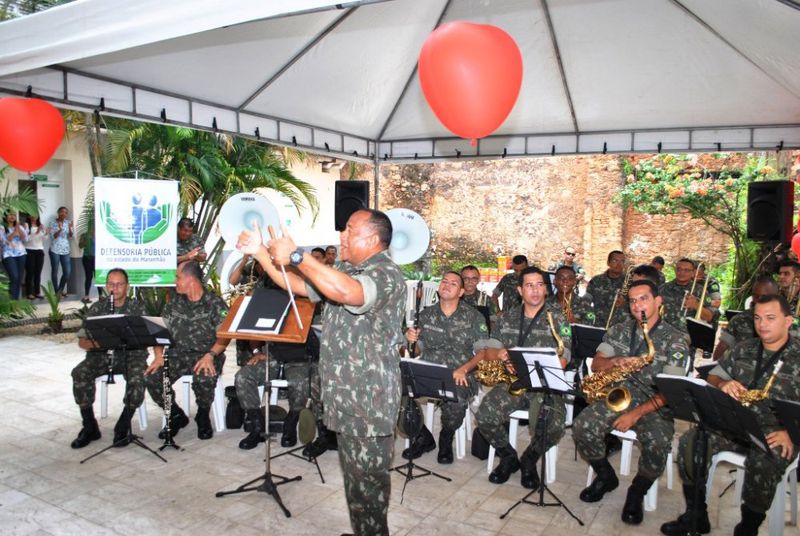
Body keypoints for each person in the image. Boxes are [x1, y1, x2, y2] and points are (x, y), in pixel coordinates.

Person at [237, 208, 405, 536]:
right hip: (344, 399)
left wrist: (298, 254)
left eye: (350, 229)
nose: (341, 235)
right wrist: (260, 253)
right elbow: (298, 286)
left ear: (372, 239)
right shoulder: (344, 267)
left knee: (369, 486)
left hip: (368, 404)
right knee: (355, 483)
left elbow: (348, 293)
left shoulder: (387, 274)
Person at [661, 294, 800, 536]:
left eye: (770, 318)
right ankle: (696, 514)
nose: (762, 324)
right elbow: (714, 375)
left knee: (765, 461)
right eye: (757, 317)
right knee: (690, 443)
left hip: (778, 430)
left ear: (788, 321)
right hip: (735, 422)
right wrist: (723, 384)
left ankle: (748, 526)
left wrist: (792, 434)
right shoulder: (744, 348)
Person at [574, 280, 690, 525]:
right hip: (620, 393)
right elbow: (596, 364)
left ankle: (637, 491)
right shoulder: (618, 330)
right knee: (582, 426)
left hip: (655, 401)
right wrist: (615, 361)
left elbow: (673, 391)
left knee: (659, 441)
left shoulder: (677, 339)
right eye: (633, 300)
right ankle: (606, 477)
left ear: (658, 301)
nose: (638, 305)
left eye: (644, 299)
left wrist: (635, 414)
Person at [455, 266, 572, 489]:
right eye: (529, 285)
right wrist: (501, 354)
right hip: (512, 383)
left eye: (539, 285)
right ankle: (508, 455)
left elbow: (564, 357)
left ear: (546, 290)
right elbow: (489, 351)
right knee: (486, 415)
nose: (535, 290)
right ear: (520, 290)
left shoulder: (557, 319)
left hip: (543, 385)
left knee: (555, 425)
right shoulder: (507, 317)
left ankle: (529, 459)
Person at [402, 271, 488, 463]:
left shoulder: (474, 317)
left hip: (460, 373)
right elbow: (416, 351)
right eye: (444, 281)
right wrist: (411, 340)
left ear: (461, 292)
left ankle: (446, 437)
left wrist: (464, 369)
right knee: (393, 388)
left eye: (454, 283)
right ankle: (422, 436)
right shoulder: (425, 314)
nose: (447, 285)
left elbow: (484, 352)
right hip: (429, 371)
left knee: (456, 402)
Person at [144, 261, 229, 440]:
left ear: (191, 279)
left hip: (207, 354)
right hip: (177, 354)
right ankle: (175, 414)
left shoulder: (214, 303)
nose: (175, 281)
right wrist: (158, 356)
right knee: (152, 377)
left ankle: (203, 414)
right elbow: (157, 332)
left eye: (178, 277)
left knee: (205, 375)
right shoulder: (174, 303)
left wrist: (211, 355)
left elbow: (225, 336)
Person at [70, 268, 148, 448]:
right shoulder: (98, 308)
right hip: (102, 354)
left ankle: (123, 426)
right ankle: (89, 426)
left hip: (131, 354)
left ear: (127, 286)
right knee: (79, 373)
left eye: (120, 284)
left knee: (139, 379)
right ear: (106, 286)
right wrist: (100, 343)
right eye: (111, 284)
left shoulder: (138, 307)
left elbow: (146, 337)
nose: (115, 288)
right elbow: (82, 341)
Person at [712, 275, 780, 360]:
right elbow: (722, 347)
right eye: (755, 296)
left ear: (777, 296)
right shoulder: (739, 319)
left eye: (764, 296)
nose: (759, 300)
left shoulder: (787, 322)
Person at [659, 258, 717, 330]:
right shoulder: (662, 288)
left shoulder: (701, 291)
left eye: (686, 270)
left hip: (690, 334)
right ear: (675, 270)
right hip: (666, 332)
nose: (682, 273)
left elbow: (709, 317)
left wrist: (696, 305)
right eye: (679, 269)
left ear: (693, 273)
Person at [587, 250, 627, 328]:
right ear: (608, 263)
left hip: (621, 328)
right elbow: (586, 303)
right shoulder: (596, 281)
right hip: (599, 326)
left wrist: (625, 304)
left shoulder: (630, 283)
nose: (619, 264)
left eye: (622, 261)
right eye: (615, 260)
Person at [0, 212, 28, 299]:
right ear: (5, 216)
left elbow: (25, 240)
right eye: (10, 214)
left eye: (14, 215)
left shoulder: (19, 227)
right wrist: (14, 233)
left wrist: (19, 230)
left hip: (21, 253)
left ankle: (16, 302)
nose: (12, 216)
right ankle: (12, 302)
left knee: (19, 279)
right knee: (14, 277)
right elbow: (3, 242)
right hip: (8, 254)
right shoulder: (1, 227)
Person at [48, 206, 73, 297]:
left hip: (65, 250)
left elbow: (70, 236)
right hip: (54, 249)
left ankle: (60, 290)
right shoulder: (52, 223)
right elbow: (53, 237)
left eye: (66, 212)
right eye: (62, 212)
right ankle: (56, 292)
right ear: (58, 212)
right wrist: (59, 229)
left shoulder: (68, 222)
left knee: (67, 272)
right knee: (55, 271)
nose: (64, 214)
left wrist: (70, 228)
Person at [23, 215, 46, 299]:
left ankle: (37, 292)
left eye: (35, 214)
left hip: (39, 250)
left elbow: (44, 239)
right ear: (28, 216)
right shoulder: (26, 225)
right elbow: (25, 239)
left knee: (38, 272)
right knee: (30, 272)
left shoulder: (40, 225)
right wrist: (36, 232)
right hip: (29, 250)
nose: (34, 216)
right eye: (32, 214)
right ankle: (29, 293)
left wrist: (45, 233)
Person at [78, 221, 97, 303]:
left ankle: (101, 296)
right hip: (87, 258)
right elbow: (80, 246)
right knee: (89, 277)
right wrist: (86, 240)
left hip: (97, 259)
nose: (93, 227)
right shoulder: (84, 235)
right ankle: (86, 296)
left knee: (98, 277)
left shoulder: (100, 235)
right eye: (91, 225)